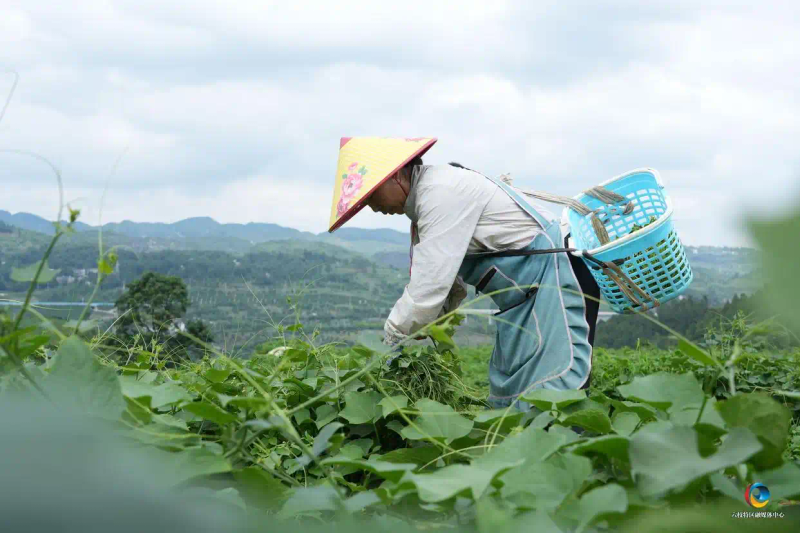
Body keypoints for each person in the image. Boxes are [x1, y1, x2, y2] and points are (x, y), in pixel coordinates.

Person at [328, 137, 600, 410]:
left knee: (555, 396)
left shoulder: (440, 193)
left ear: (396, 175)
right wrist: (430, 322)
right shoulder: (426, 205)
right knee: (514, 396)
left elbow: (429, 287)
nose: (372, 206)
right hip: (524, 302)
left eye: (371, 195)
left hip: (557, 279)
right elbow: (449, 284)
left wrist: (393, 337)